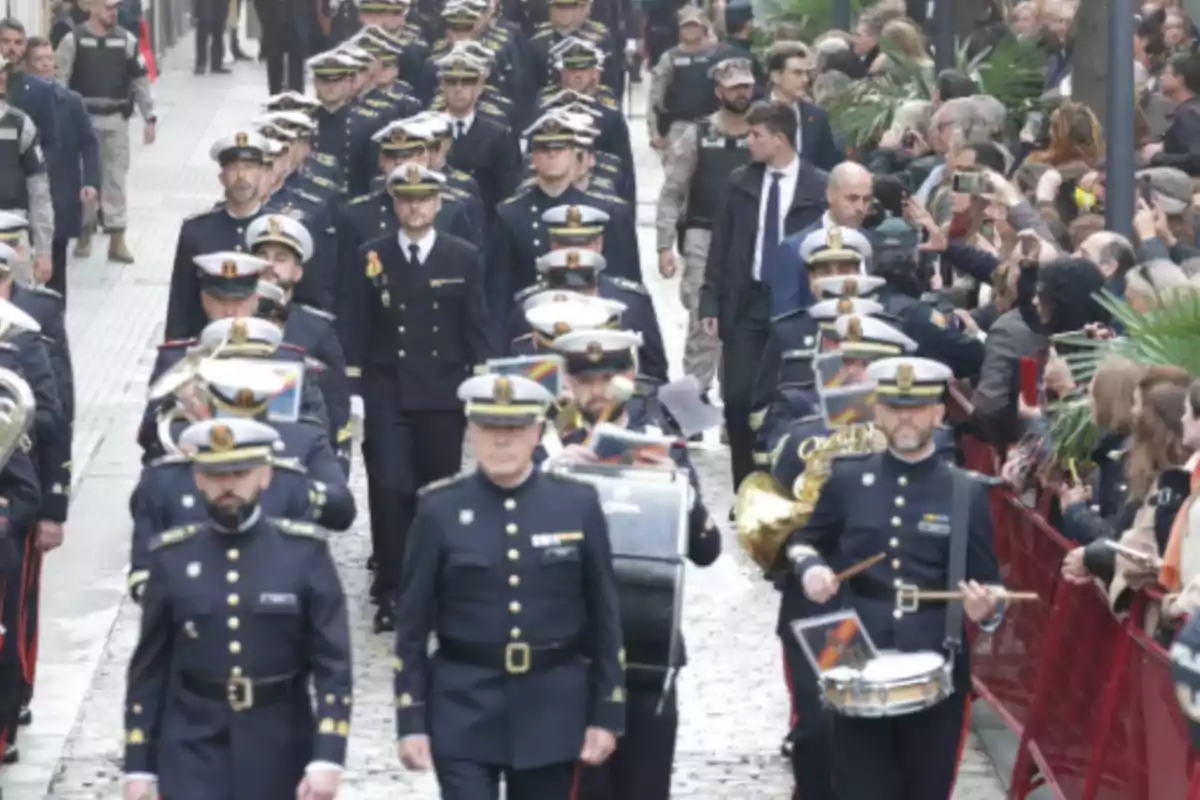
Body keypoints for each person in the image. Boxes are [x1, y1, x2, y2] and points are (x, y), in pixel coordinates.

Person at [394, 372, 625, 798]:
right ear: (471, 432)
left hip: (551, 706)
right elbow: (411, 625)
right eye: (489, 430)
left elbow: (604, 615)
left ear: (537, 432)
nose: (501, 442)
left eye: (515, 430)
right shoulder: (439, 509)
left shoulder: (576, 504)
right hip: (463, 703)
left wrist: (606, 710)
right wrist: (410, 718)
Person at [789, 356, 1005, 800]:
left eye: (917, 408)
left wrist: (987, 609)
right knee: (857, 789)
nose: (905, 418)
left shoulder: (965, 491)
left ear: (939, 413)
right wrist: (811, 567)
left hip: (933, 650)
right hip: (852, 648)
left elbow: (990, 583)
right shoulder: (848, 478)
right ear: (878, 411)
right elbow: (802, 540)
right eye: (894, 407)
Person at [121, 417, 351, 800]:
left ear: (264, 476)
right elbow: (149, 668)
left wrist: (328, 755)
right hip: (191, 740)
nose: (227, 486)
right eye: (215, 475)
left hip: (279, 735)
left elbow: (332, 661)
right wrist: (139, 765)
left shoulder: (303, 553)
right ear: (198, 479)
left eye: (239, 473)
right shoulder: (171, 557)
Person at [546, 329, 721, 800]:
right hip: (568, 658)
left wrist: (675, 491)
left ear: (629, 377)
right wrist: (548, 480)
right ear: (566, 381)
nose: (596, 392)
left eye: (608, 379)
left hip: (645, 648)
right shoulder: (539, 441)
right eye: (585, 379)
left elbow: (707, 551)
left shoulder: (659, 445)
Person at [340, 164, 492, 633]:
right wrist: (354, 391)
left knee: (436, 494)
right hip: (387, 392)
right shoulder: (372, 256)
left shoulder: (462, 257)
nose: (414, 207)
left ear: (439, 203)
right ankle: (391, 589)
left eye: (423, 199)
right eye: (405, 199)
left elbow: (476, 330)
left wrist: (480, 390)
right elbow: (355, 325)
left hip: (442, 396)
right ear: (394, 204)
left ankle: (436, 587)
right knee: (389, 492)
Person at [699, 100, 827, 497]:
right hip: (746, 302)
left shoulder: (816, 186)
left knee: (784, 399)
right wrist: (710, 300)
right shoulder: (741, 182)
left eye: (756, 135)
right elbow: (721, 244)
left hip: (793, 305)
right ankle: (745, 490)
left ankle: (781, 485)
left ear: (780, 138)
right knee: (737, 399)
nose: (748, 141)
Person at [656, 56, 755, 401]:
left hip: (748, 240)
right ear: (718, 91)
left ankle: (735, 412)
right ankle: (693, 406)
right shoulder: (697, 134)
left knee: (742, 326)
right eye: (734, 87)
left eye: (746, 86)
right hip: (702, 235)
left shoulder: (763, 135)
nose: (741, 93)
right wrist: (664, 244)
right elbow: (672, 192)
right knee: (703, 322)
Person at [53, 0, 156, 264]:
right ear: (94, 9)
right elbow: (61, 79)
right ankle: (85, 231)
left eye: (116, 8)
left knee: (116, 179)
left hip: (115, 120)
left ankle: (117, 239)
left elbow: (140, 80)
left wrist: (149, 116)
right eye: (109, 7)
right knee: (87, 180)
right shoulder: (73, 39)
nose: (114, 13)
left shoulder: (126, 41)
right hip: (84, 122)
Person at [164, 131, 271, 341]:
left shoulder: (279, 229)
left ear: (262, 174)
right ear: (222, 177)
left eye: (249, 167)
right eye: (233, 168)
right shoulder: (196, 231)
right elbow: (182, 299)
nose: (242, 177)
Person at [24, 34, 99, 300]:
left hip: (62, 196)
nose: (46, 65)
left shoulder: (71, 102)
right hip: (27, 199)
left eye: (49, 60)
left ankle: (54, 321)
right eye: (39, 60)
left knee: (56, 267)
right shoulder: (19, 107)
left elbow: (89, 143)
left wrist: (91, 181)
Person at [440, 52, 523, 228]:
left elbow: (507, 192)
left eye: (467, 82)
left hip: (485, 225)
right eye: (452, 82)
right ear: (442, 86)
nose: (459, 89)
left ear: (479, 87)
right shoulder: (427, 132)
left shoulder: (498, 135)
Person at [646, 6, 736, 150]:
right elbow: (656, 96)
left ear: (702, 28)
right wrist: (654, 131)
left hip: (711, 124)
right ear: (680, 29)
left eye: (694, 26)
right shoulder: (670, 57)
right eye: (686, 26)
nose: (690, 30)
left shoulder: (715, 55)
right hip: (679, 126)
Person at [0, 54, 53, 289]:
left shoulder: (19, 124)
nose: (2, 77)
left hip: (12, 234)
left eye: (3, 71)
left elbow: (39, 191)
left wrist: (43, 250)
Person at [764, 41, 838, 171]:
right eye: (797, 73)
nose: (805, 79)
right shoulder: (755, 112)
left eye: (806, 73)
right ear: (776, 76)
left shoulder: (817, 116)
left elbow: (828, 166)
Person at [254, 0, 313, 93]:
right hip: (273, 16)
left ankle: (297, 98)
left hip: (296, 15)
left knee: (297, 61)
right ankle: (275, 97)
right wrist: (265, 15)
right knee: (274, 58)